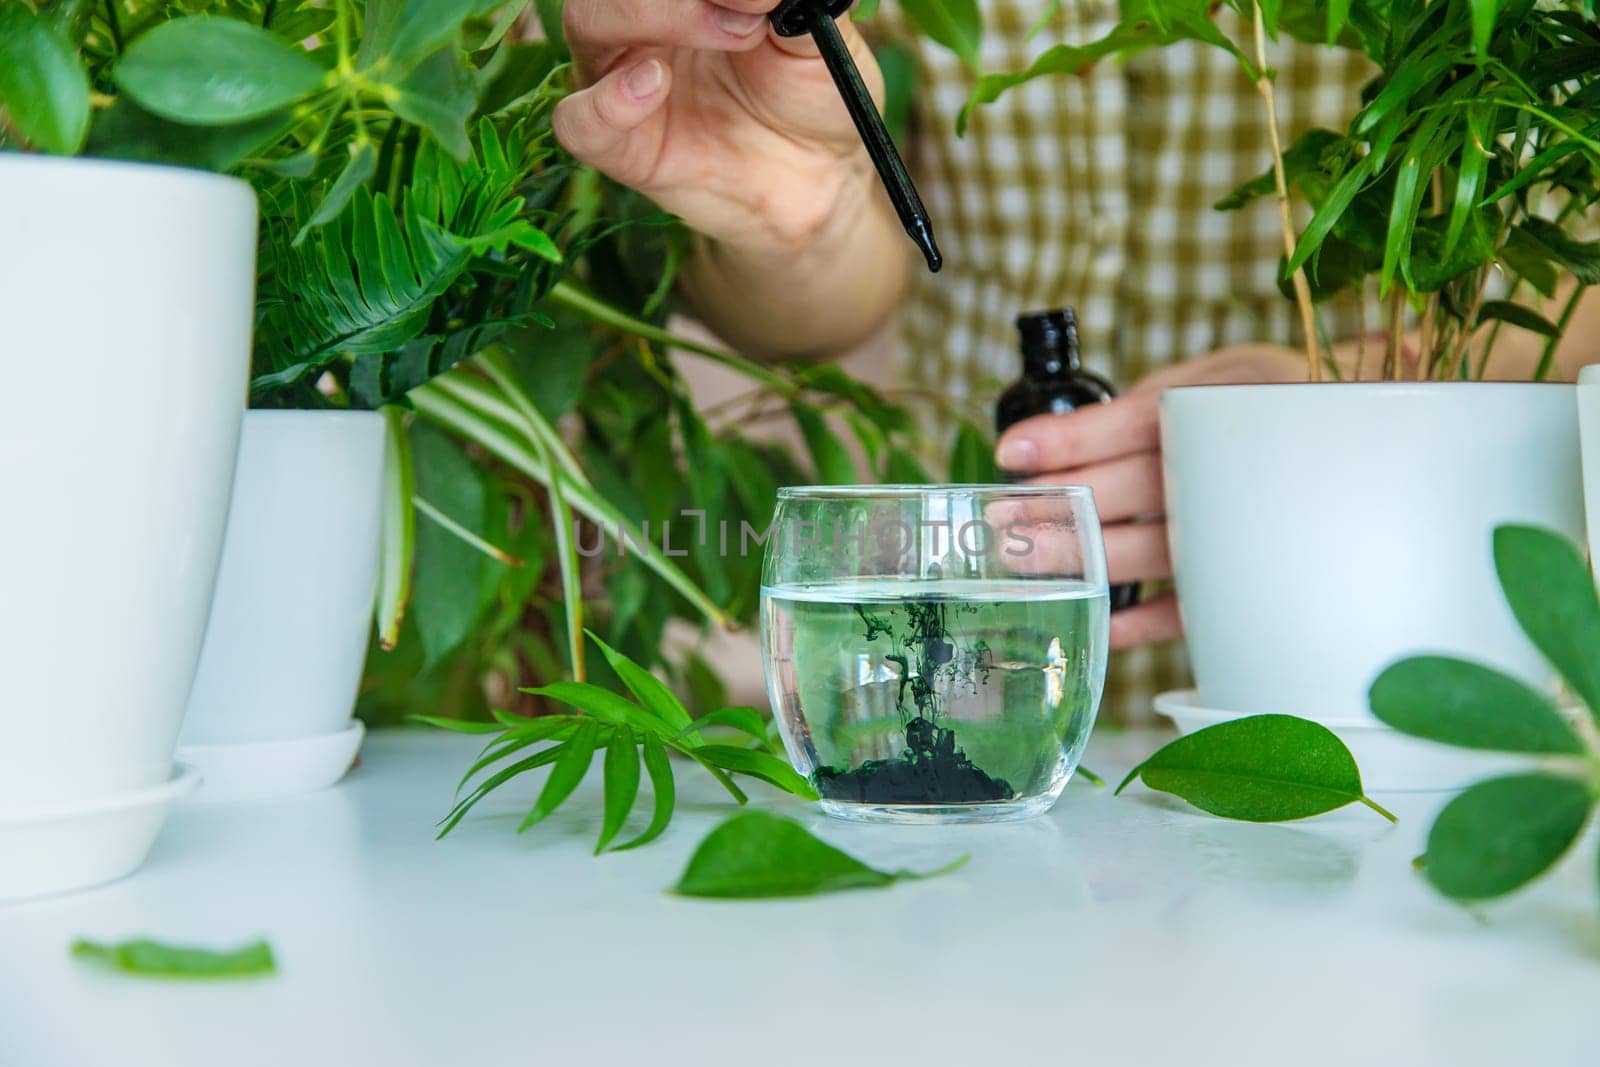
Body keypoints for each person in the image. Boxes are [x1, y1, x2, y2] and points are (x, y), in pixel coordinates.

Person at [550, 0, 1600, 718]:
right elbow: (837, 286)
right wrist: (799, 223)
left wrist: (1348, 410)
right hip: (982, 668)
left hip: (1434, 658)